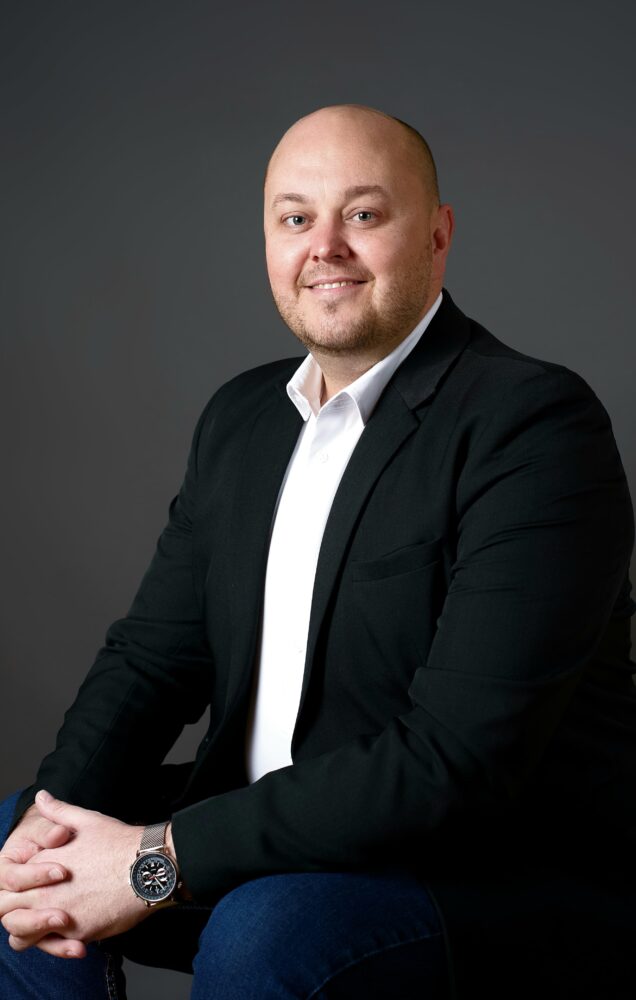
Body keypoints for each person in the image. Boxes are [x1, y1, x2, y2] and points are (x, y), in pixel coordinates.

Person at [1, 103, 635, 1000]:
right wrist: (49, 822)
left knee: (270, 932)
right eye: (296, 218)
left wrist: (154, 863)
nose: (325, 247)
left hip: (484, 867)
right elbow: (151, 660)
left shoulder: (531, 426)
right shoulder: (241, 419)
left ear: (438, 235)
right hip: (269, 834)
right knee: (19, 848)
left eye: (364, 214)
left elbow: (453, 763)